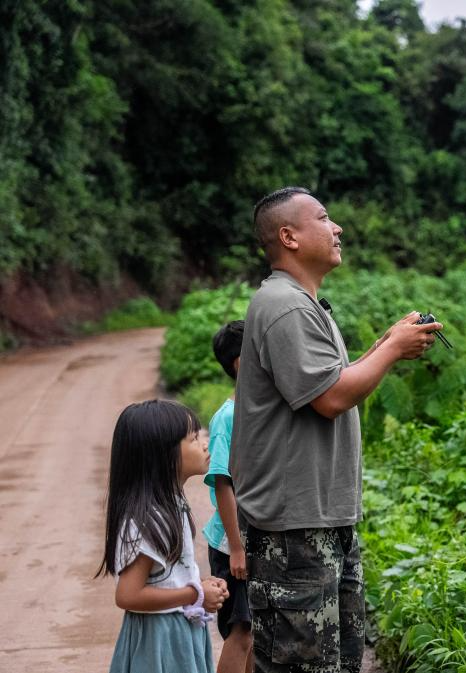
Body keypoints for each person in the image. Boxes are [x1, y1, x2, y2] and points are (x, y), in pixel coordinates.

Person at [231, 186, 441, 673]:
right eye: (324, 218)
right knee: (301, 664)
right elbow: (331, 399)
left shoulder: (303, 304)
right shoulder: (285, 307)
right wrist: (391, 351)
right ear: (289, 236)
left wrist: (387, 342)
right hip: (295, 529)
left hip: (320, 521)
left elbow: (331, 382)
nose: (337, 227)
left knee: (338, 662)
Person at [97, 399, 230, 673]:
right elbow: (129, 595)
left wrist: (197, 582)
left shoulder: (172, 504)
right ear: (163, 454)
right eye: (194, 438)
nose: (205, 444)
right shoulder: (148, 519)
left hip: (177, 630)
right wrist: (195, 593)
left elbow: (165, 577)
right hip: (159, 640)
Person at [203, 320, 254, 673]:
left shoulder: (256, 412)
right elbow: (223, 483)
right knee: (242, 632)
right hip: (231, 545)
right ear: (240, 363)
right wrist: (236, 547)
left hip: (250, 541)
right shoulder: (228, 418)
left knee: (256, 632)